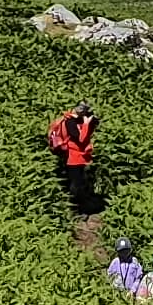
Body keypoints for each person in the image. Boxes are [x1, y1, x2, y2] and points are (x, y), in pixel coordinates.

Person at [44, 103, 103, 245]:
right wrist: (87, 124)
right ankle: (76, 210)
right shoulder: (71, 122)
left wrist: (90, 123)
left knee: (79, 182)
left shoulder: (73, 120)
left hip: (77, 157)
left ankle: (78, 208)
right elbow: (81, 139)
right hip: (73, 158)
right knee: (77, 184)